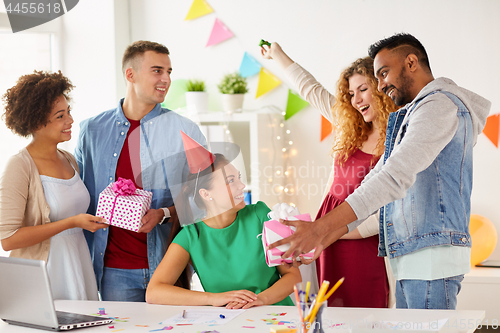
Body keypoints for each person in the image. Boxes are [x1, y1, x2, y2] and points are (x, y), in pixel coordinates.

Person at [268, 33, 491, 310]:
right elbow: (380, 176)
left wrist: (323, 229)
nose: (382, 84)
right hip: (410, 254)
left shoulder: (439, 107)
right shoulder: (414, 114)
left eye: (383, 74)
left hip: (429, 256)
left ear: (411, 62)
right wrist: (322, 234)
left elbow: (392, 178)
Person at [261, 42, 396, 307]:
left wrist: (327, 231)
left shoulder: (397, 140)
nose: (356, 100)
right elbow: (310, 89)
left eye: (363, 89)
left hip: (360, 238)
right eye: (350, 93)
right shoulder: (350, 126)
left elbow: (383, 213)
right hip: (325, 237)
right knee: (325, 310)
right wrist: (277, 54)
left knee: (363, 310)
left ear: (380, 89)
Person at [75, 40, 206, 302]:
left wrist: (164, 213)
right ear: (130, 74)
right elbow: (78, 197)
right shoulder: (91, 131)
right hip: (113, 271)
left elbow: (206, 198)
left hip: (169, 268)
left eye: (169, 72)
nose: (166, 79)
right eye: (157, 70)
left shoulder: (186, 130)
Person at [146, 134, 301, 308]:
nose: (242, 186)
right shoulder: (191, 236)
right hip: (228, 321)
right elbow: (153, 292)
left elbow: (293, 276)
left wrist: (261, 300)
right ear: (206, 194)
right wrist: (213, 299)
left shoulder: (260, 215)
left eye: (239, 178)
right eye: (231, 181)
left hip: (275, 319)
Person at [0, 71, 107, 300]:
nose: (70, 120)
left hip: (78, 266)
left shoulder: (69, 159)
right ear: (37, 122)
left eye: (69, 112)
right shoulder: (19, 166)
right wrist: (71, 222)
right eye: (60, 116)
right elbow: (8, 238)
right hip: (46, 274)